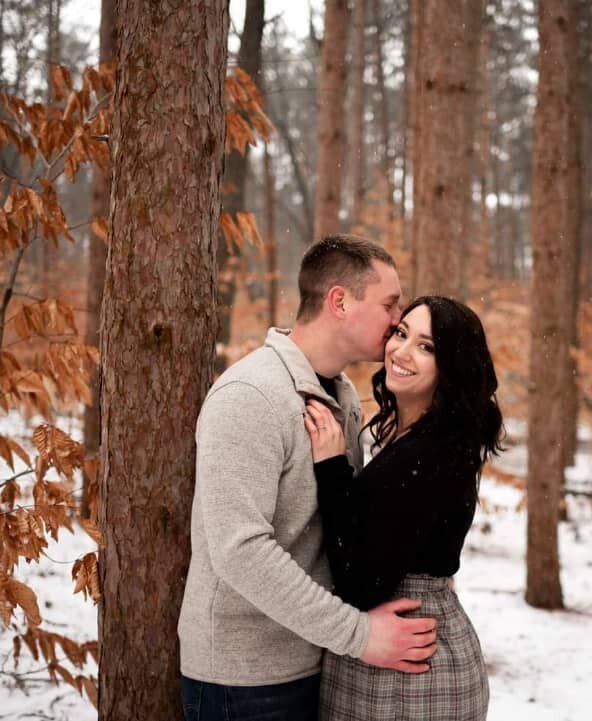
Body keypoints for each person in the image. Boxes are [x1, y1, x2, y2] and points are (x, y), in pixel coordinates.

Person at [178, 236, 438, 721]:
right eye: (389, 304)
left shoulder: (343, 395)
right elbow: (240, 550)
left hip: (313, 658)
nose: (398, 320)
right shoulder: (250, 394)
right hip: (245, 680)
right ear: (340, 301)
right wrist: (358, 634)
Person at [304, 295, 503, 721]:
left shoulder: (430, 453)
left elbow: (362, 583)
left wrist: (332, 468)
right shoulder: (417, 438)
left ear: (452, 367)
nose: (401, 351)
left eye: (426, 347)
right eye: (401, 333)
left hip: (406, 668)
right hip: (404, 646)